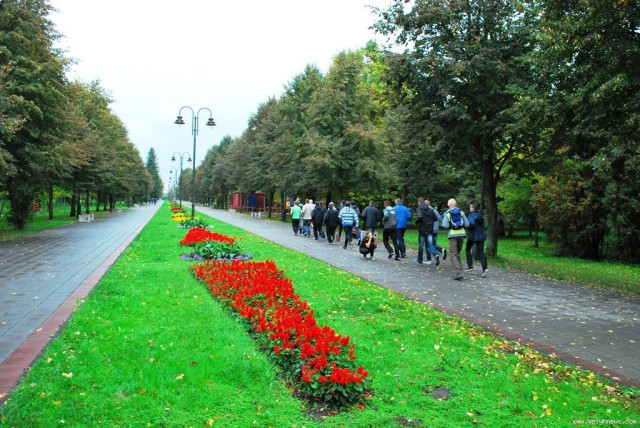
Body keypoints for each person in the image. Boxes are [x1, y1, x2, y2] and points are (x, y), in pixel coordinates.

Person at [441, 198, 470, 280]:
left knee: (453, 253)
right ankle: (460, 269)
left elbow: (445, 225)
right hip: (461, 234)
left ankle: (458, 272)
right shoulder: (461, 212)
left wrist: (451, 226)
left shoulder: (448, 213)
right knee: (458, 253)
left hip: (453, 235)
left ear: (449, 204)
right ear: (456, 204)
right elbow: (467, 224)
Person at [414, 197, 439, 266]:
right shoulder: (430, 210)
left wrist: (416, 222)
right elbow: (435, 218)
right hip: (430, 229)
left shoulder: (419, 209)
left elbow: (419, 217)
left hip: (422, 229)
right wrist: (429, 221)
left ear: (419, 202)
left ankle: (419, 260)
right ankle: (435, 255)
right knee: (430, 244)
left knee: (421, 244)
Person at [465, 203, 488, 277]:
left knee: (467, 249)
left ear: (472, 208)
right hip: (481, 236)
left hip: (473, 236)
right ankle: (485, 268)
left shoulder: (471, 215)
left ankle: (470, 266)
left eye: (470, 207)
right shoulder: (480, 215)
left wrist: (467, 227)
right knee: (481, 252)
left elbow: (471, 224)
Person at [425, 199, 446, 263]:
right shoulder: (435, 210)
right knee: (433, 244)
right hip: (436, 229)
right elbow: (440, 219)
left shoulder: (426, 211)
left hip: (430, 229)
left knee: (428, 245)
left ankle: (429, 259)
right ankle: (441, 249)